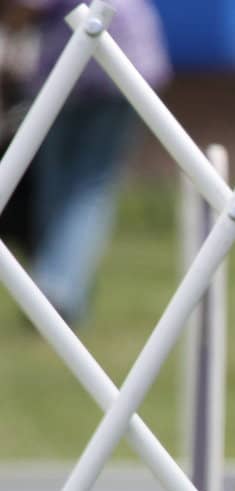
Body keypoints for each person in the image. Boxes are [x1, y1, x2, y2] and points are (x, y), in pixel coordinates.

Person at [3, 0, 169, 324]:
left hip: (80, 66)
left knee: (69, 185)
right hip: (127, 60)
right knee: (84, 184)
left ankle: (55, 290)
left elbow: (26, 7)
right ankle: (61, 287)